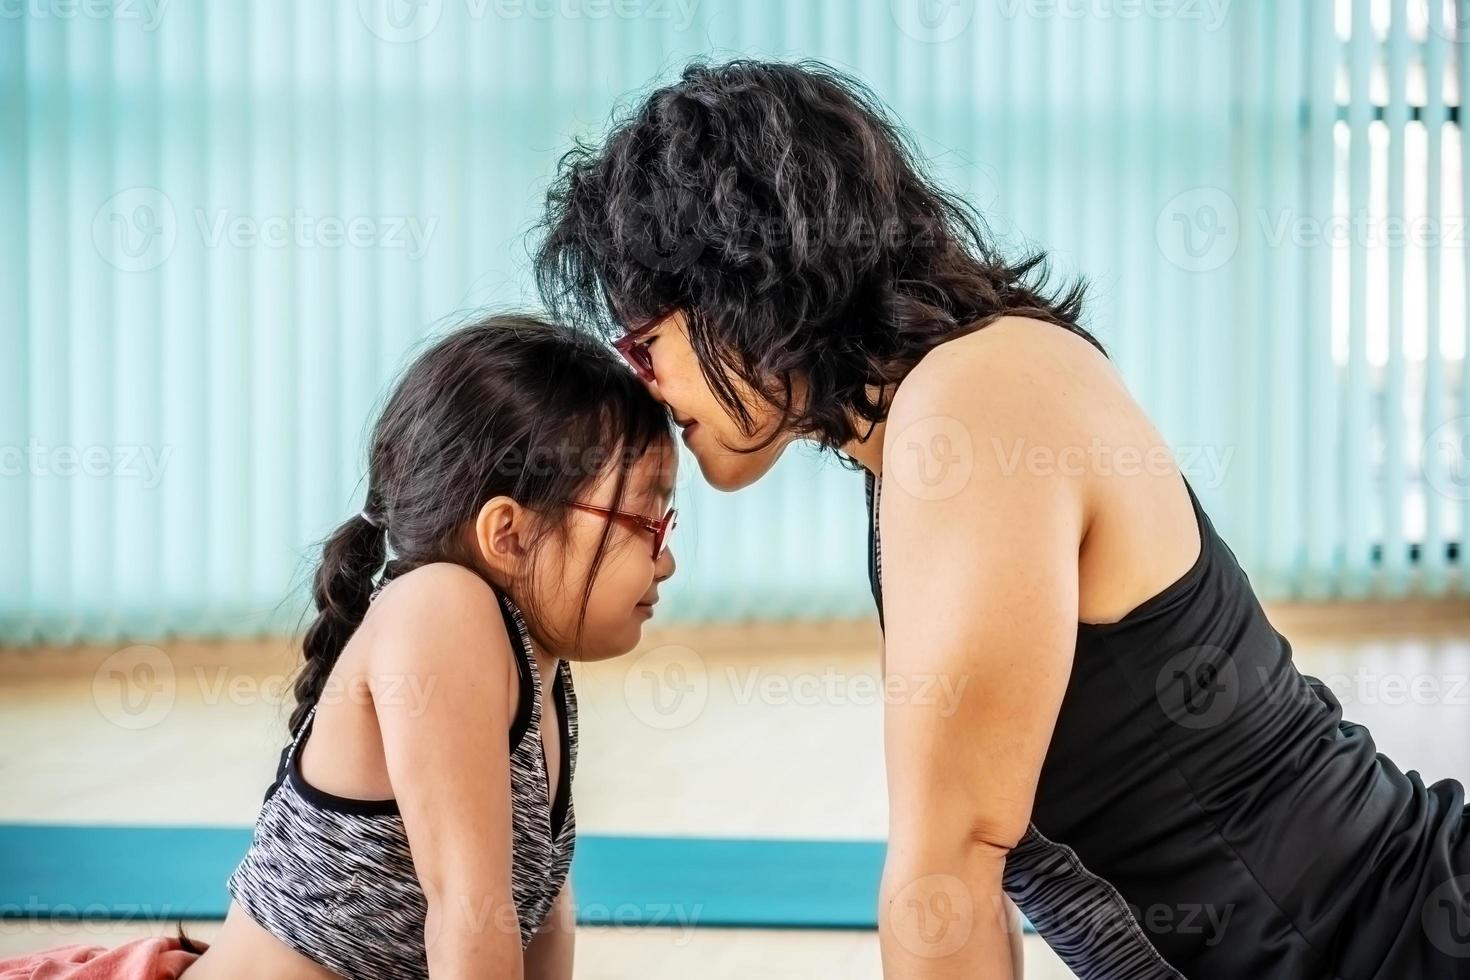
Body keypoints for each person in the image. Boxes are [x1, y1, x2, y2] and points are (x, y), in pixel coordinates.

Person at [536, 58, 1470, 979]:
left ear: (740, 286)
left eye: (644, 344)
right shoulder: (931, 423)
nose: (644, 385)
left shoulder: (971, 403)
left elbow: (945, 879)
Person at [2, 315, 678, 980]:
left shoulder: (545, 681)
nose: (666, 558)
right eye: (648, 518)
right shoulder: (445, 608)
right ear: (510, 533)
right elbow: (467, 916)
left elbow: (535, 924)